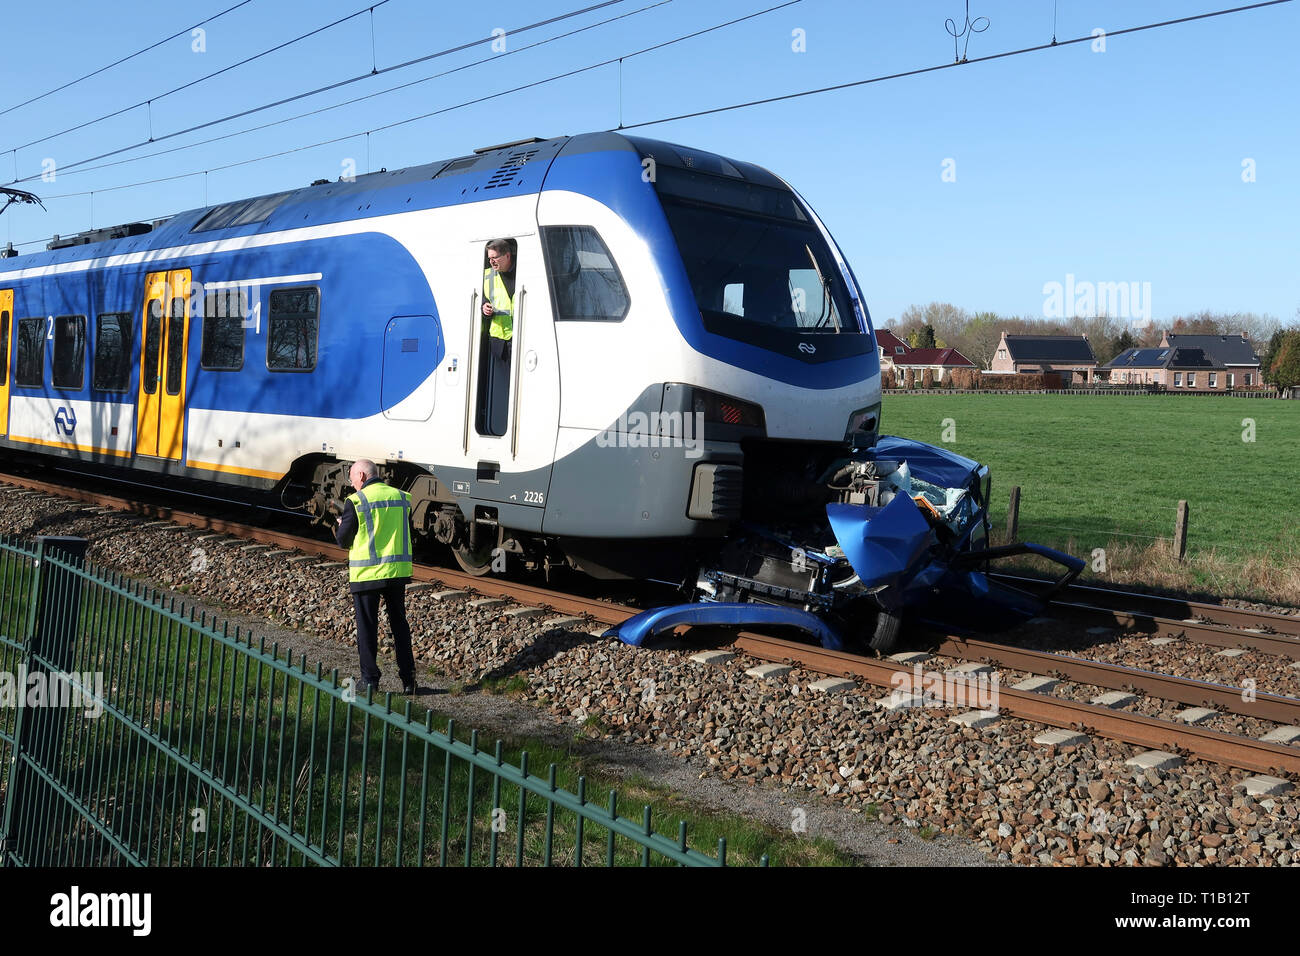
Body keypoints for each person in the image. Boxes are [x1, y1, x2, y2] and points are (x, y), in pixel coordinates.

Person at [332, 459, 417, 696]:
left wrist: (341, 525)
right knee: (400, 625)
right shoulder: (402, 498)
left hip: (367, 574)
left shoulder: (356, 502)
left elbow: (343, 540)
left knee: (367, 627)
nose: (351, 484)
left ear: (361, 475)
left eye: (351, 479)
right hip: (396, 573)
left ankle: (370, 680)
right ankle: (409, 680)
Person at [479, 238, 516, 436]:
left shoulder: (522, 272)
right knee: (503, 390)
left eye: (495, 258)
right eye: (489, 258)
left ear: (507, 255)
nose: (491, 262)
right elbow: (483, 301)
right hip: (499, 343)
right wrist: (484, 308)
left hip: (520, 340)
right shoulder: (487, 276)